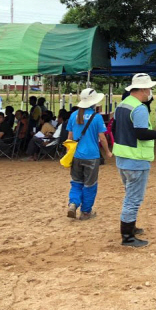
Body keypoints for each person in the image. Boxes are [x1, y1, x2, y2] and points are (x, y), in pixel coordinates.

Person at [113, 73, 156, 247]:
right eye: (149, 88)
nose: (150, 92)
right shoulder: (139, 108)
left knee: (130, 194)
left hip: (122, 158)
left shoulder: (122, 105)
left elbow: (116, 129)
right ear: (143, 89)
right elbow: (141, 133)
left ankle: (130, 227)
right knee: (133, 199)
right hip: (136, 159)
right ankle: (127, 237)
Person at [66, 88, 112, 221]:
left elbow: (70, 136)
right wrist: (108, 152)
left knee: (76, 183)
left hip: (76, 155)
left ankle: (73, 203)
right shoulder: (97, 117)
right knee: (90, 185)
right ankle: (86, 212)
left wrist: (68, 153)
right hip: (92, 156)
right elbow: (102, 138)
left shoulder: (73, 115)